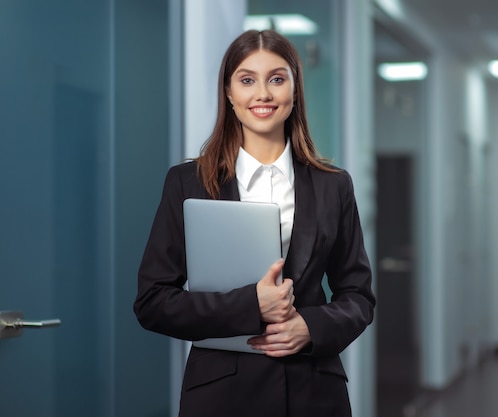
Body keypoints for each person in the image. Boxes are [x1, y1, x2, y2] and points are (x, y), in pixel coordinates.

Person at [134, 29, 375, 417]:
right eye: (247, 80)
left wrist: (311, 327)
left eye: (276, 79)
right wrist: (251, 304)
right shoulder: (187, 182)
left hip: (314, 393)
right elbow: (153, 302)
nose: (262, 93)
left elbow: (359, 296)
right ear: (228, 93)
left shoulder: (334, 185)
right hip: (221, 397)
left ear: (294, 92)